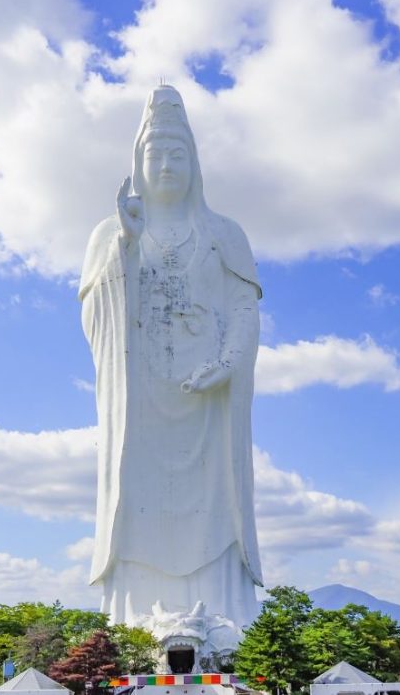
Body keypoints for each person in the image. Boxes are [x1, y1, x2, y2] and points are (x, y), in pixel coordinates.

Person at [79, 85, 263, 633]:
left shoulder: (223, 234)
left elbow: (245, 309)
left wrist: (227, 364)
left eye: (177, 154)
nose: (166, 166)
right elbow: (93, 315)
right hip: (140, 402)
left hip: (208, 401)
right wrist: (127, 247)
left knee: (216, 497)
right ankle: (134, 624)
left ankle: (227, 623)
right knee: (136, 497)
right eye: (156, 154)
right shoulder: (109, 234)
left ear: (194, 162)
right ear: (138, 161)